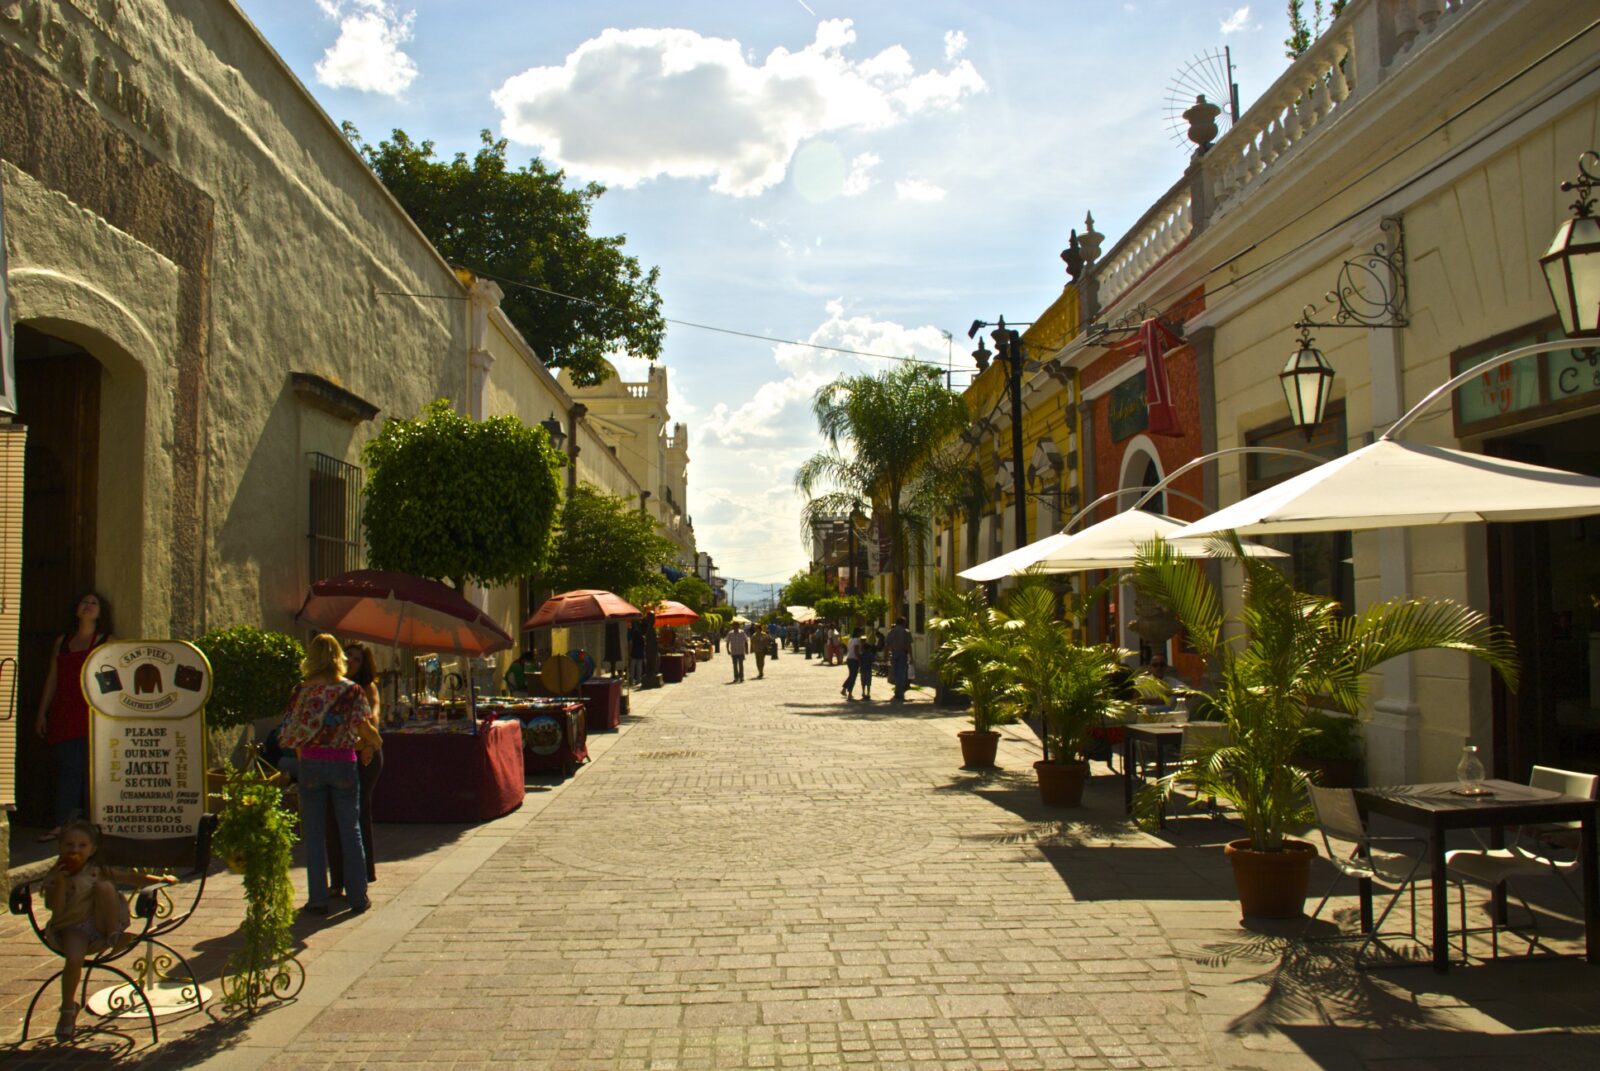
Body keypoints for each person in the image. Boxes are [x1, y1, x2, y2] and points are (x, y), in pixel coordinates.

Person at [43, 819, 177, 1041]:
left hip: (101, 923)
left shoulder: (96, 870)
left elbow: (130, 878)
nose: (75, 850)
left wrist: (160, 879)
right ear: (60, 847)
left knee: (105, 886)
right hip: (71, 927)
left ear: (92, 849)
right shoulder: (55, 875)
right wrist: (59, 882)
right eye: (69, 845)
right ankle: (67, 1009)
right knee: (74, 958)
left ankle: (115, 935)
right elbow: (56, 910)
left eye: (82, 846)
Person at [277, 633, 372, 916]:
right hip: (343, 762)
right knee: (349, 829)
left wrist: (305, 754)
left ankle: (318, 897)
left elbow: (289, 733)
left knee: (315, 834)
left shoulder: (301, 691)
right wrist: (372, 743)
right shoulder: (352, 690)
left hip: (310, 764)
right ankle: (357, 896)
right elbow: (362, 726)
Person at [33, 592, 113, 841]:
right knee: (69, 769)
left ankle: (93, 828)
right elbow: (52, 678)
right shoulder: (63, 641)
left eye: (94, 603)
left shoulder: (107, 641)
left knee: (93, 773)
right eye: (84, 602)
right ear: (76, 609)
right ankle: (62, 825)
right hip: (65, 712)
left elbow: (113, 682)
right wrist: (41, 713)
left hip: (93, 714)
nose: (88, 606)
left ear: (100, 612)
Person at [328, 641, 383, 899]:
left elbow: (374, 716)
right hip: (340, 755)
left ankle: (362, 872)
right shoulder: (333, 686)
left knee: (359, 811)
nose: (350, 661)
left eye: (356, 658)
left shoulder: (367, 688)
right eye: (347, 655)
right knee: (342, 816)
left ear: (364, 664)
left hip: (366, 754)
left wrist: (368, 741)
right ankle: (341, 877)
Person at [884, 617, 912, 703]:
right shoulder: (906, 632)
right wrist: (911, 656)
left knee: (895, 672)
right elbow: (908, 645)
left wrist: (886, 656)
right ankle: (899, 692)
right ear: (903, 623)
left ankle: (897, 690)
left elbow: (887, 645)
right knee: (901, 673)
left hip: (893, 653)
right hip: (902, 654)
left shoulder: (891, 631)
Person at [841, 627, 864, 699]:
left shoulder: (850, 640)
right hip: (854, 659)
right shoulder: (857, 640)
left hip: (849, 658)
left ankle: (844, 689)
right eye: (860, 632)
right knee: (853, 677)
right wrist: (859, 660)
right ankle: (850, 692)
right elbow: (856, 651)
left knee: (851, 675)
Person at [859, 624, 880, 700]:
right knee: (868, 683)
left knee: (863, 682)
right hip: (868, 670)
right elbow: (873, 660)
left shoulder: (861, 654)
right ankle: (868, 693)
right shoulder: (870, 654)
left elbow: (859, 661)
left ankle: (863, 692)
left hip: (863, 670)